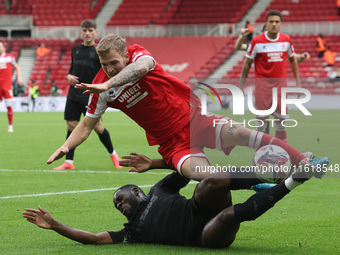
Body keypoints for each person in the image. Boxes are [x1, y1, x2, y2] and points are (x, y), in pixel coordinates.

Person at [47, 33, 328, 182]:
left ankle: (303, 161)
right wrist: (67, 146)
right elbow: (85, 126)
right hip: (172, 145)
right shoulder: (100, 87)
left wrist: (108, 85)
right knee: (208, 178)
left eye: (113, 63)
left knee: (243, 133)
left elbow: (141, 68)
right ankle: (261, 181)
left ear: (124, 54)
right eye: (104, 65)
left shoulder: (138, 55)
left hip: (195, 119)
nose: (108, 70)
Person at [23, 161, 322, 248]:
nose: (119, 206)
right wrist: (55, 225)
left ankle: (272, 175)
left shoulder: (158, 189)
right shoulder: (132, 232)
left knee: (213, 179)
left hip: (199, 207)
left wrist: (154, 162)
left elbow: (185, 166)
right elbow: (95, 238)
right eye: (117, 206)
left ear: (136, 192)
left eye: (120, 199)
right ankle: (294, 180)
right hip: (204, 235)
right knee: (232, 214)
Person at [53, 19, 122, 170]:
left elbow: (106, 73)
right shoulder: (75, 49)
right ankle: (69, 162)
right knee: (71, 126)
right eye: (85, 30)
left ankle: (114, 155)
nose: (87, 33)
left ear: (95, 32)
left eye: (90, 30)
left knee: (98, 128)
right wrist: (68, 77)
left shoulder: (99, 52)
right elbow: (72, 70)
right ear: (81, 32)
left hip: (90, 94)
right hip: (73, 94)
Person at [239, 10, 301, 143]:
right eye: (271, 21)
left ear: (280, 24)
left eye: (277, 22)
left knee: (281, 122)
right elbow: (247, 64)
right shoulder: (256, 42)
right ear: (266, 24)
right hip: (262, 89)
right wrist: (240, 85)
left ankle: (282, 156)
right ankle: (260, 157)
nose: (274, 24)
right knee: (261, 123)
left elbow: (293, 60)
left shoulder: (286, 40)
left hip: (280, 89)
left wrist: (298, 83)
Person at [0, 42, 23, 133]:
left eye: (0, 46)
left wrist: (19, 77)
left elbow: (17, 67)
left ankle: (10, 126)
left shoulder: (9, 57)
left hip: (6, 85)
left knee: (9, 105)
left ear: (3, 47)